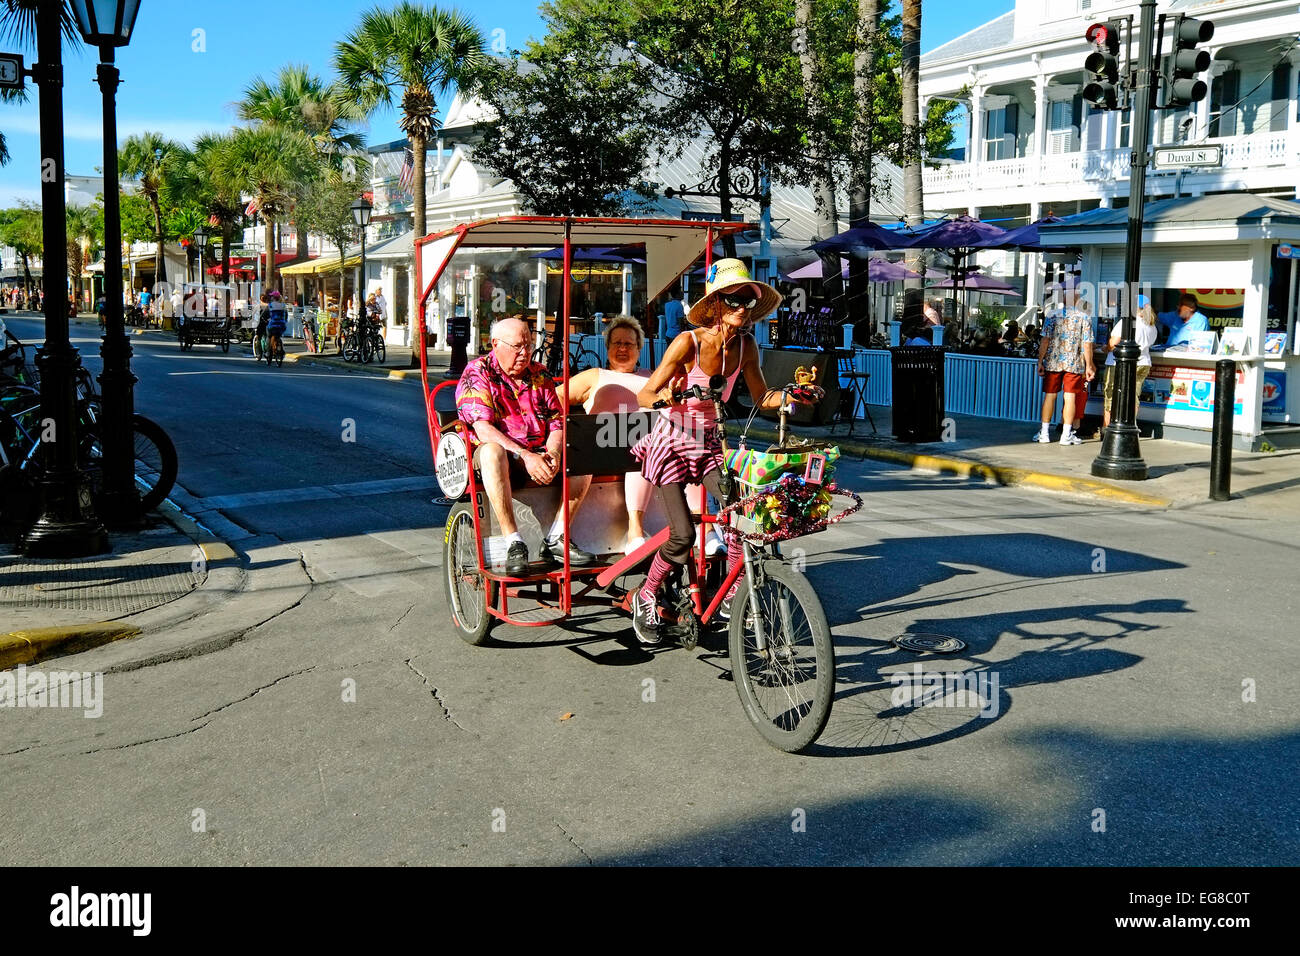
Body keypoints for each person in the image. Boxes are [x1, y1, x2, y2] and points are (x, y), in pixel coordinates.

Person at [629, 259, 814, 646]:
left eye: (749, 300)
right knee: (681, 535)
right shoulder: (688, 343)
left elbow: (762, 397)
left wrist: (793, 397)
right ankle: (646, 595)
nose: (743, 308)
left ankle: (732, 597)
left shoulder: (746, 346)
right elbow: (644, 394)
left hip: (713, 444)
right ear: (715, 305)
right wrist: (669, 395)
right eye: (735, 300)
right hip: (673, 444)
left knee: (740, 522)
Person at [456, 316, 594, 576]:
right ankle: (514, 543)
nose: (525, 353)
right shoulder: (477, 372)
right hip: (504, 457)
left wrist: (552, 452)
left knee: (583, 451)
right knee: (492, 451)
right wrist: (525, 455)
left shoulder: (539, 374)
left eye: (529, 346)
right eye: (517, 346)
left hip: (538, 453)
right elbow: (483, 428)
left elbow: (556, 422)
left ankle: (557, 537)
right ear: (495, 344)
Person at [558, 316, 672, 556]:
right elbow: (555, 398)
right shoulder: (595, 376)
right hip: (602, 446)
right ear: (607, 347)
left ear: (639, 349)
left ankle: (641, 531)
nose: (622, 349)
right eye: (616, 343)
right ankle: (635, 532)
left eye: (629, 344)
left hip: (643, 447)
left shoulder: (651, 378)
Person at [1033, 277, 1095, 446]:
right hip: (1074, 364)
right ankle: (1066, 435)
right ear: (1077, 300)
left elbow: (1044, 341)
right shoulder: (1084, 317)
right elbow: (1087, 344)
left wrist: (1040, 361)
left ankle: (1044, 433)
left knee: (1050, 397)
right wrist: (1089, 365)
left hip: (1053, 363)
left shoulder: (1051, 316)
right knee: (1070, 398)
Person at [1102, 295, 1159, 428]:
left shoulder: (1126, 322)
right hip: (1143, 362)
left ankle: (1107, 428)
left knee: (1111, 394)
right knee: (1134, 397)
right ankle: (1130, 427)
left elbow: (1114, 343)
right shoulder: (1151, 325)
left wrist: (1105, 347)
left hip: (1120, 364)